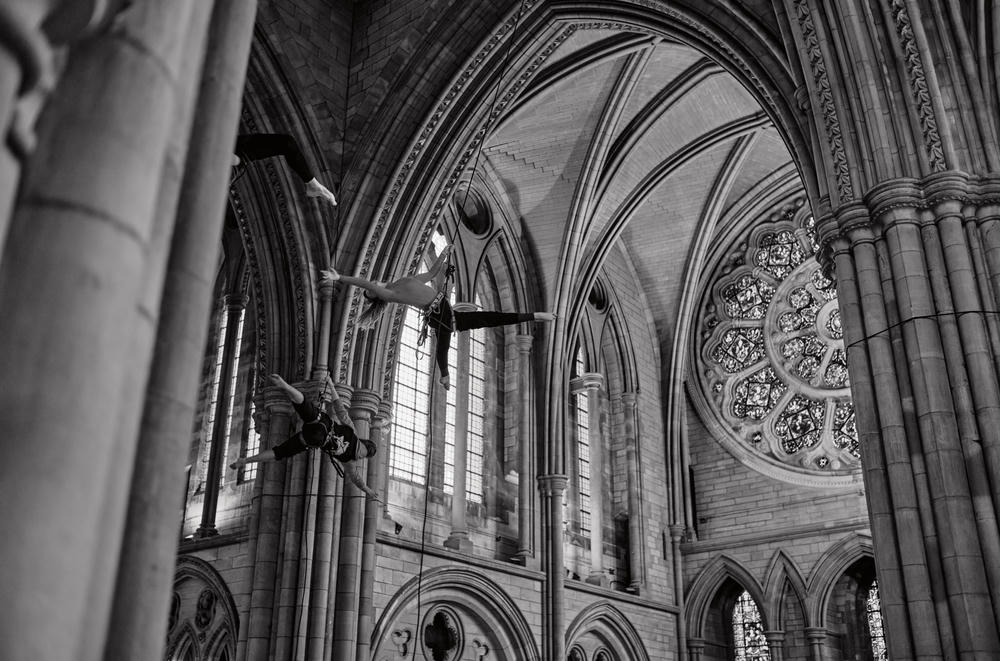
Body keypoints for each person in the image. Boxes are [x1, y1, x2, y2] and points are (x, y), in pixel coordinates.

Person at [322, 245, 556, 389]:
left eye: (370, 287)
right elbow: (362, 281)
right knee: (442, 349)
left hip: (448, 313)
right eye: (370, 291)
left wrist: (445, 253)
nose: (371, 286)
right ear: (376, 295)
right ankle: (444, 377)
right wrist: (339, 277)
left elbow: (433, 272)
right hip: (438, 314)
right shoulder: (389, 293)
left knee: (490, 317)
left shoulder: (404, 281)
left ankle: (534, 316)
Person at [230, 373, 381, 501]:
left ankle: (285, 386)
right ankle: (245, 460)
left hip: (322, 423)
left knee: (302, 402)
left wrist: (331, 384)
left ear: (364, 442)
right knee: (279, 453)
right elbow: (357, 480)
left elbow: (339, 407)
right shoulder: (350, 461)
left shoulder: (353, 433)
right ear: (364, 456)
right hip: (313, 439)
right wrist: (368, 491)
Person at [232, 133, 338, 206]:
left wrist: (311, 182)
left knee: (288, 143)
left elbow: (287, 144)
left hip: (234, 150)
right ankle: (312, 186)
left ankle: (312, 185)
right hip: (235, 154)